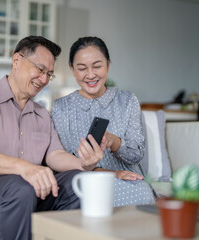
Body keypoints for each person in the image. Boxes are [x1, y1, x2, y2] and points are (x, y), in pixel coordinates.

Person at [0, 36, 106, 240]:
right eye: (40, 69)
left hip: (25, 188)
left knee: (78, 182)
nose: (44, 79)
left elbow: (54, 154)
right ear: (16, 61)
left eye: (49, 74)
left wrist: (84, 164)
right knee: (20, 188)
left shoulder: (41, 113)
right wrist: (27, 169)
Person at [51, 36, 155, 207]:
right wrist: (110, 174)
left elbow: (136, 154)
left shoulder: (127, 100)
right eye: (82, 68)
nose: (90, 75)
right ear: (72, 69)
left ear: (108, 63)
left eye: (97, 66)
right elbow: (65, 160)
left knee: (140, 194)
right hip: (84, 178)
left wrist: (114, 142)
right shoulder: (61, 107)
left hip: (128, 178)